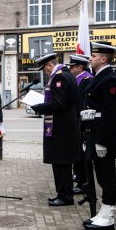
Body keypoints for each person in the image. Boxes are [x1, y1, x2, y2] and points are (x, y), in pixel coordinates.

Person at [81, 42, 116, 230]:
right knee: (101, 175)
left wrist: (102, 141)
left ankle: (108, 216)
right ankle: (103, 213)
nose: (90, 58)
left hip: (103, 137)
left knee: (106, 177)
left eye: (94, 55)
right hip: (95, 134)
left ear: (103, 59)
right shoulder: (99, 78)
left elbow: (112, 114)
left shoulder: (110, 80)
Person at [31, 53, 80, 207]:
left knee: (61, 162)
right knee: (62, 162)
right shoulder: (66, 74)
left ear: (50, 65)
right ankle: (64, 194)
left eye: (45, 69)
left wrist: (39, 107)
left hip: (61, 127)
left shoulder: (59, 78)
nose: (45, 72)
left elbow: (59, 104)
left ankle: (65, 196)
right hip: (66, 126)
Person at [66, 54, 94, 194]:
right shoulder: (77, 80)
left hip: (82, 123)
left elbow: (84, 103)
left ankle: (83, 183)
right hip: (76, 122)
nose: (70, 69)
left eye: (72, 66)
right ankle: (79, 178)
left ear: (80, 67)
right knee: (77, 154)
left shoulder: (86, 80)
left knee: (82, 156)